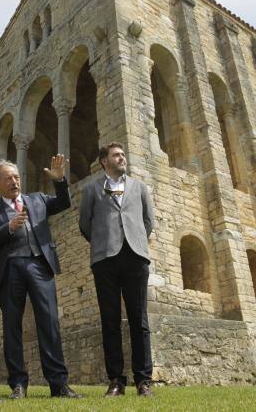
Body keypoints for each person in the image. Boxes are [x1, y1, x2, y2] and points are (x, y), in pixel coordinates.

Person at [0, 154, 80, 399]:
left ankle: (59, 384)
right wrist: (9, 227)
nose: (14, 182)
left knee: (49, 322)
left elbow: (63, 203)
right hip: (10, 268)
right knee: (12, 327)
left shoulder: (37, 200)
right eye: (8, 179)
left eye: (16, 177)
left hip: (39, 264)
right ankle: (18, 385)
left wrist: (60, 181)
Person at [79, 142, 155, 397]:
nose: (122, 158)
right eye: (116, 155)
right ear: (104, 161)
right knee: (109, 320)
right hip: (105, 260)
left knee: (139, 320)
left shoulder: (140, 187)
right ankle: (116, 381)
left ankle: (144, 380)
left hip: (135, 256)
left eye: (123, 154)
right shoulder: (91, 189)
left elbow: (148, 221)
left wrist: (136, 240)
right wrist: (103, 242)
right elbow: (84, 224)